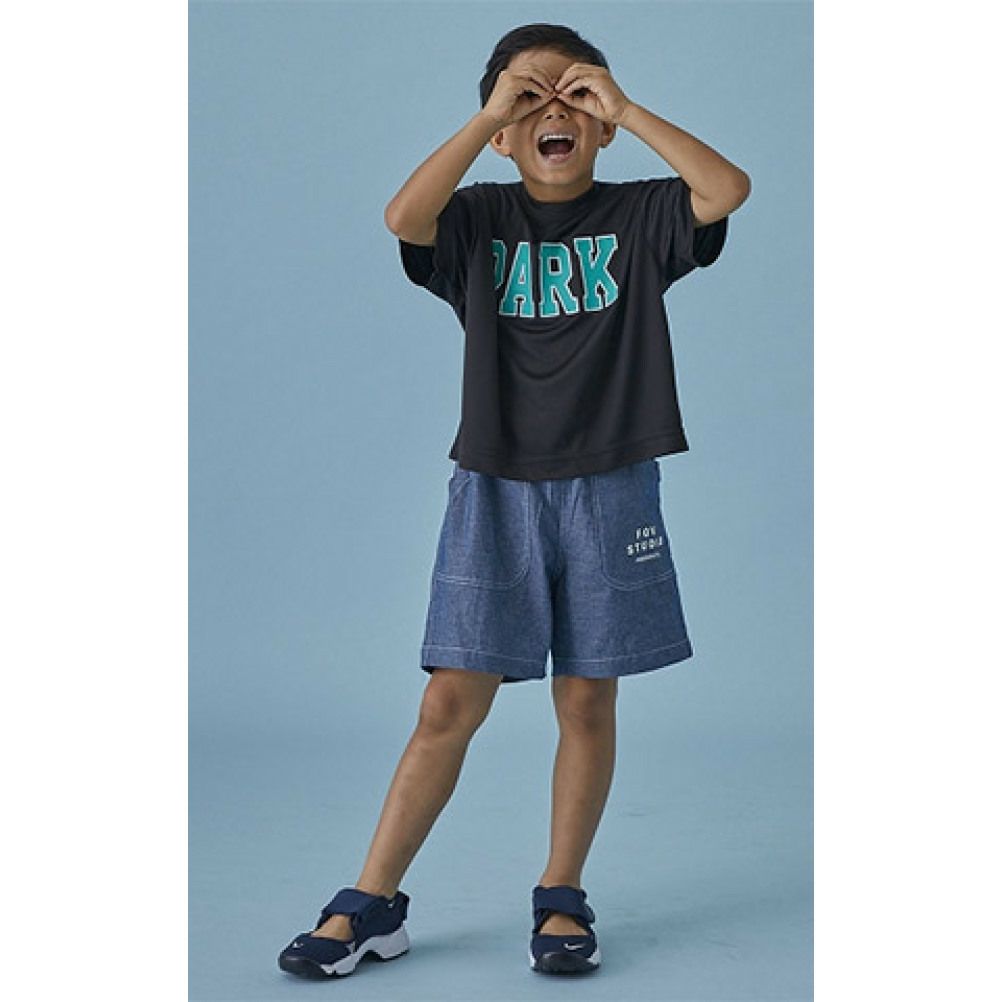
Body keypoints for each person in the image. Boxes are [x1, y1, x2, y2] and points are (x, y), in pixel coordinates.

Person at [278, 22, 750, 980]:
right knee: (450, 698)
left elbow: (726, 190)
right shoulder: (478, 219)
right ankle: (372, 900)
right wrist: (490, 111)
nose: (551, 112)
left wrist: (623, 106)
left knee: (587, 696)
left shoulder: (642, 213)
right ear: (500, 133)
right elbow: (404, 217)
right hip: (495, 487)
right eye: (526, 101)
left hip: (613, 484)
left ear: (601, 124)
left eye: (572, 97)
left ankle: (561, 893)